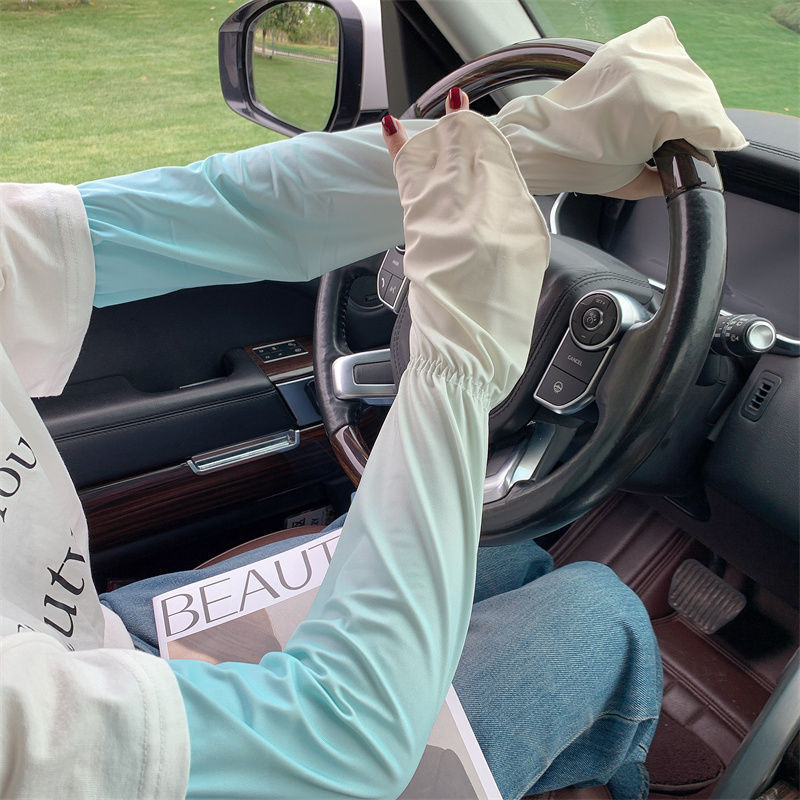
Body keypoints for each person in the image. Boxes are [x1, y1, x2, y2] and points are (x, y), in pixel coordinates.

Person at [0, 17, 745, 800]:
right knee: (599, 619)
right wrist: (456, 360)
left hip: (89, 650)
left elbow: (208, 209)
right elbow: (342, 738)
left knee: (505, 555)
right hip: (140, 751)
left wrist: (524, 145)